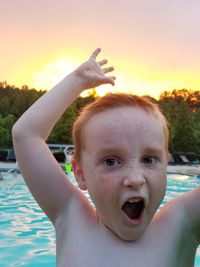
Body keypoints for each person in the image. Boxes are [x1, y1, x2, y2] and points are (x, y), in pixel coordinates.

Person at [12, 48, 200, 267]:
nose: (135, 178)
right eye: (111, 161)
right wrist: (77, 81)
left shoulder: (182, 223)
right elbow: (26, 135)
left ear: (165, 163)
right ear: (81, 174)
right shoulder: (72, 218)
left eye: (149, 159)